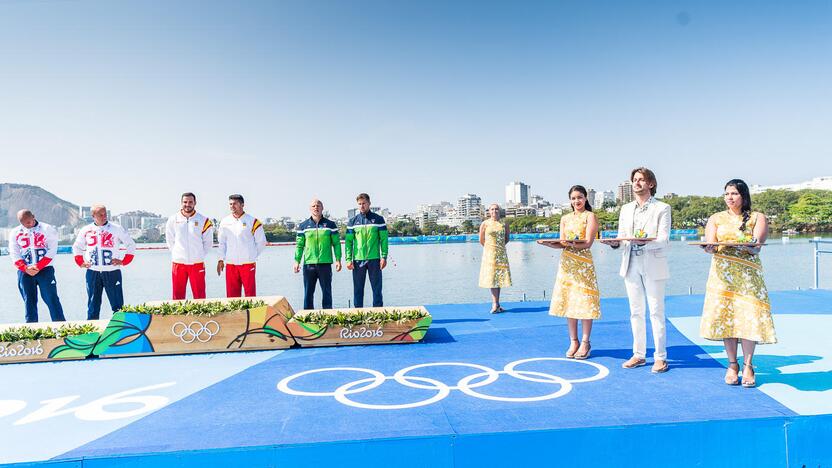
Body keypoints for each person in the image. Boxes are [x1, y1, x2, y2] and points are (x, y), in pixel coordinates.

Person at [699, 179, 775, 388]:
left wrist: (749, 246)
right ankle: (732, 365)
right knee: (728, 318)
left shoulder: (758, 217)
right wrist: (708, 248)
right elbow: (711, 245)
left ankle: (748, 365)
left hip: (749, 276)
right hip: (723, 275)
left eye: (734, 193)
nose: (729, 198)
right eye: (726, 194)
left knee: (749, 318)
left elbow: (757, 246)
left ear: (743, 196)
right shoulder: (715, 218)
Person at [606, 167, 671, 373]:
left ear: (651, 184)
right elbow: (622, 236)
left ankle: (660, 357)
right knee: (635, 312)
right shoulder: (625, 209)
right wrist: (615, 244)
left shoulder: (662, 207)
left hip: (653, 262)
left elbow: (663, 240)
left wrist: (642, 243)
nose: (637, 183)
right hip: (630, 262)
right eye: (634, 180)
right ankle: (639, 354)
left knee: (656, 311)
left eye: (642, 180)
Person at [540, 186, 600, 359]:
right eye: (573, 198)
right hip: (567, 263)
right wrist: (550, 244)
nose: (577, 201)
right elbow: (562, 242)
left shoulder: (590, 216)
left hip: (584, 265)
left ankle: (586, 342)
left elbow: (588, 243)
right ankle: (573, 340)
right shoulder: (565, 218)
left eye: (579, 197)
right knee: (570, 302)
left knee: (586, 302)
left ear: (586, 198)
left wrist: (569, 244)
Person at [72, 204, 136, 320]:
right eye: (100, 215)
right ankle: (92, 333)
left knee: (118, 306)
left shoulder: (116, 228)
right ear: (93, 216)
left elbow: (130, 244)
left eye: (105, 214)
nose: (104, 217)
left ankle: (120, 331)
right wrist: (80, 262)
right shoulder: (86, 230)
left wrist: (124, 261)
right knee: (93, 306)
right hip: (93, 272)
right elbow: (77, 247)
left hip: (112, 272)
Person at [8, 209, 66, 323]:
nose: (27, 225)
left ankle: (61, 327)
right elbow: (14, 253)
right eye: (24, 223)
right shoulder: (15, 232)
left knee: (52, 299)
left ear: (33, 216)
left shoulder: (47, 229)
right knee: (29, 301)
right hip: (25, 271)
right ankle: (31, 329)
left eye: (29, 222)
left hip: (45, 270)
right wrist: (25, 268)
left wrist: (39, 266)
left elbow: (52, 250)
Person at [294, 199, 342, 309]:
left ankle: (328, 315)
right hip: (309, 264)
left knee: (327, 293)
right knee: (308, 293)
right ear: (310, 209)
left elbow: (336, 244)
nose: (316, 207)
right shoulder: (303, 226)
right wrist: (297, 261)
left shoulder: (330, 224)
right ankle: (307, 317)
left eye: (318, 205)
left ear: (322, 208)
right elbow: (300, 246)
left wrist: (338, 260)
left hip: (325, 264)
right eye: (314, 206)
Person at [165, 192, 214, 300]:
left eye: (190, 202)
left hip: (197, 263)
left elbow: (208, 242)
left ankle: (202, 317)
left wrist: (199, 255)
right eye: (185, 202)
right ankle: (178, 317)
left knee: (200, 295)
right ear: (181, 203)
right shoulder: (173, 219)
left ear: (195, 203)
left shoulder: (203, 220)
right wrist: (177, 254)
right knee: (177, 296)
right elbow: (170, 240)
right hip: (178, 263)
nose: (187, 204)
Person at [217, 194, 266, 297]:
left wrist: (251, 255)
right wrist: (220, 259)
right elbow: (222, 243)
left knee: (250, 295)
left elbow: (261, 242)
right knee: (232, 296)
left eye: (235, 204)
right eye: (230, 204)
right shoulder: (225, 221)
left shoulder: (253, 221)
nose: (232, 206)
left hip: (247, 264)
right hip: (231, 264)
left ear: (242, 204)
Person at [345, 193, 388, 307]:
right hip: (358, 260)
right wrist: (348, 259)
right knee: (358, 290)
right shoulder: (352, 221)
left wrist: (384, 257)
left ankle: (378, 315)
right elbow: (348, 242)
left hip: (374, 259)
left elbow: (384, 240)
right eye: (359, 204)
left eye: (364, 203)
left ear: (369, 203)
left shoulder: (378, 219)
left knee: (377, 290)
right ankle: (358, 315)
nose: (362, 206)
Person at [478, 203, 511, 313]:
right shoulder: (485, 223)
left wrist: (499, 247)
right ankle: (494, 303)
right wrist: (489, 248)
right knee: (492, 278)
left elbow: (507, 238)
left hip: (501, 253)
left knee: (498, 278)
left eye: (496, 209)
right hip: (489, 254)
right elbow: (481, 240)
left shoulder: (504, 223)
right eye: (492, 209)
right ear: (489, 211)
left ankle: (497, 303)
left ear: (499, 211)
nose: (494, 211)